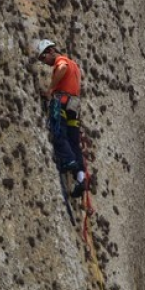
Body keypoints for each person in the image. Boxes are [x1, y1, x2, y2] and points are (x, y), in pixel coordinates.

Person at [37, 39, 88, 197]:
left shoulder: (62, 61)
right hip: (74, 105)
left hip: (62, 101)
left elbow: (62, 68)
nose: (44, 62)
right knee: (74, 141)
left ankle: (68, 161)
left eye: (43, 58)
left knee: (58, 131)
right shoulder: (75, 65)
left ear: (51, 51)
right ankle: (80, 177)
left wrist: (51, 89)